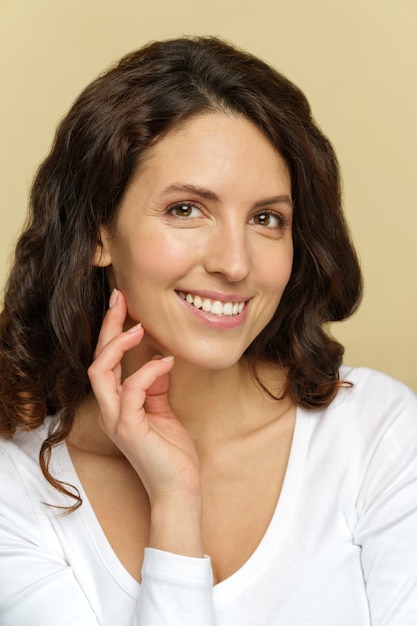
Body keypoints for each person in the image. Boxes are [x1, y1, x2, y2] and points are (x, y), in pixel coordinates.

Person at [0, 36, 416, 626]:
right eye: (187, 209)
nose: (235, 263)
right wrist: (175, 504)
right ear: (98, 232)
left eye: (267, 219)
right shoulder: (18, 488)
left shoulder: (378, 435)